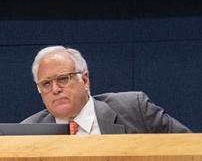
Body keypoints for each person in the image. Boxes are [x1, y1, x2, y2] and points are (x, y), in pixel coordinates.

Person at [21, 45, 190, 134]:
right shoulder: (27, 131)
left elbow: (189, 148)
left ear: (85, 80)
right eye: (46, 84)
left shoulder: (134, 110)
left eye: (63, 79)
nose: (55, 89)